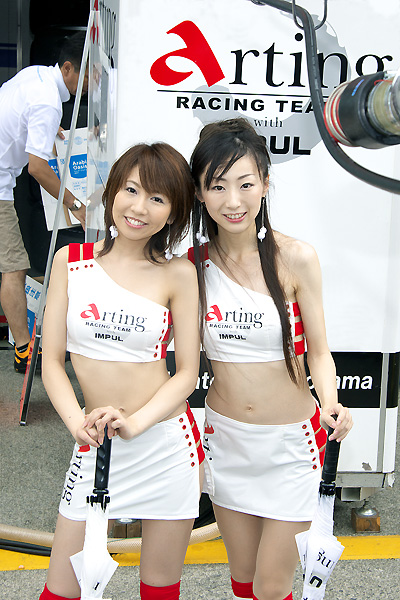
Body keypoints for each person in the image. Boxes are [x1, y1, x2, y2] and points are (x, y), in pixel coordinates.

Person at [188, 118, 353, 600]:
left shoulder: (296, 257)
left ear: (264, 182)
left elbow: (319, 351)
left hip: (291, 448)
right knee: (243, 581)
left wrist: (332, 403)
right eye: (217, 186)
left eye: (245, 184)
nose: (233, 201)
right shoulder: (192, 268)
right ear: (199, 193)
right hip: (226, 441)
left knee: (272, 585)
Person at [40, 143, 203, 600]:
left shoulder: (179, 273)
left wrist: (135, 424)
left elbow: (186, 374)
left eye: (157, 198)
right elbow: (51, 361)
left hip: (164, 445)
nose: (139, 207)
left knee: (159, 592)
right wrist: (77, 425)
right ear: (112, 191)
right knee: (60, 591)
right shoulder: (71, 261)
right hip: (92, 439)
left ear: (173, 212)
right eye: (131, 190)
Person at [0, 31, 88, 373]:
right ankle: (24, 350)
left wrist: (49, 130)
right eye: (88, 76)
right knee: (14, 267)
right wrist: (75, 205)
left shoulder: (36, 75)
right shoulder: (49, 103)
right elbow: (37, 168)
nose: (91, 85)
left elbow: (20, 114)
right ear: (67, 69)